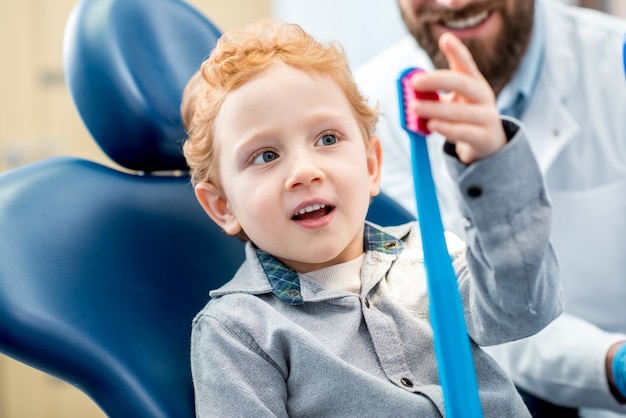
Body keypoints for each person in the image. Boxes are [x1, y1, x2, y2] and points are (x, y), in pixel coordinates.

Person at [181, 19, 561, 417]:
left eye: (327, 139)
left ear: (371, 165)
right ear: (223, 207)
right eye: (265, 156)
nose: (305, 171)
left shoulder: (430, 254)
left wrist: (492, 165)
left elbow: (525, 310)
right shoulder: (238, 332)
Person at [354, 0, 626, 417]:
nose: (453, 3)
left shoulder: (614, 61)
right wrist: (613, 362)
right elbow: (469, 309)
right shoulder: (373, 116)